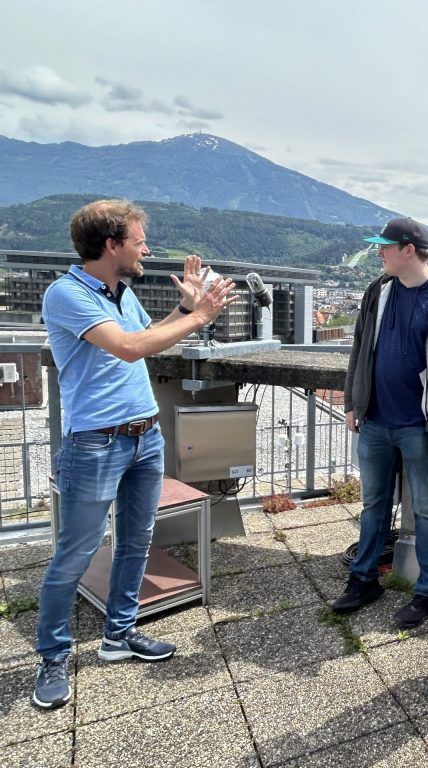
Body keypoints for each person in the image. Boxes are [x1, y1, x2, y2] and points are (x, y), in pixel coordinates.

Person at [33, 199, 237, 709]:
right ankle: (53, 656)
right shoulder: (66, 294)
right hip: (96, 442)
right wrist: (202, 316)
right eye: (140, 240)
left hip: (145, 436)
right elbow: (124, 348)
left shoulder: (120, 292)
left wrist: (187, 309)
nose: (147, 249)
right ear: (111, 245)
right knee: (75, 553)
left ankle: (117, 636)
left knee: (135, 542)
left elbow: (146, 338)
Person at [334, 217, 428, 628]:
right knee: (373, 503)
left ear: (408, 249)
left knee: (427, 510)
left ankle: (427, 590)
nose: (379, 253)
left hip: (419, 426)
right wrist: (354, 401)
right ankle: (364, 578)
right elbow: (360, 348)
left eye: (385, 247)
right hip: (375, 418)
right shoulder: (379, 290)